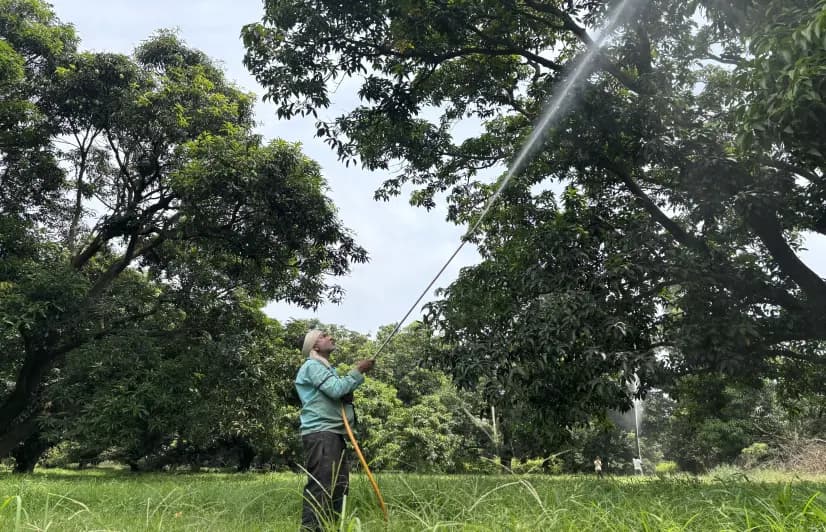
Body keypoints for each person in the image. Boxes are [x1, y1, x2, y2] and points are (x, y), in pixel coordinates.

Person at [295, 329, 375, 531]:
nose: (331, 337)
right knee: (323, 484)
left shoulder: (327, 368)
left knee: (339, 486)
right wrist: (358, 371)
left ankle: (332, 527)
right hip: (321, 433)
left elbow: (338, 392)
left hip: (333, 433)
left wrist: (346, 395)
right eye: (323, 336)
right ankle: (312, 528)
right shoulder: (313, 365)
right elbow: (335, 389)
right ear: (315, 346)